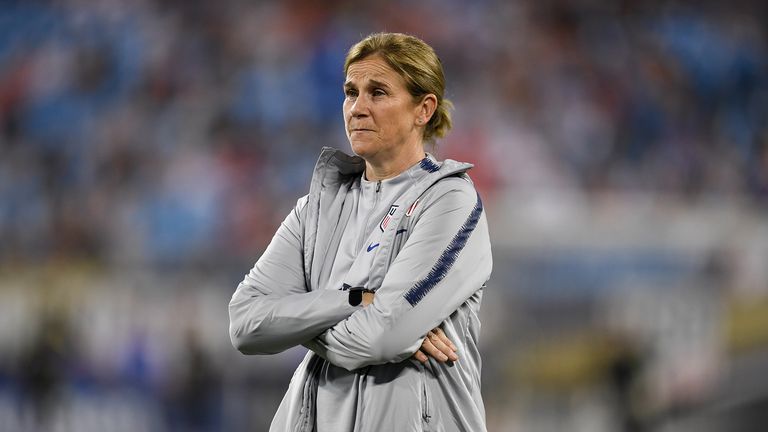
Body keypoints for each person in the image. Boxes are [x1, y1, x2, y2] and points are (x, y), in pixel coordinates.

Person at [229, 32, 492, 431]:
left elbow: (381, 337)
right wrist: (356, 301)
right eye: (351, 92)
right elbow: (246, 324)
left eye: (378, 92)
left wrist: (299, 321)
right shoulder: (315, 209)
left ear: (424, 109)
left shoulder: (450, 200)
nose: (357, 108)